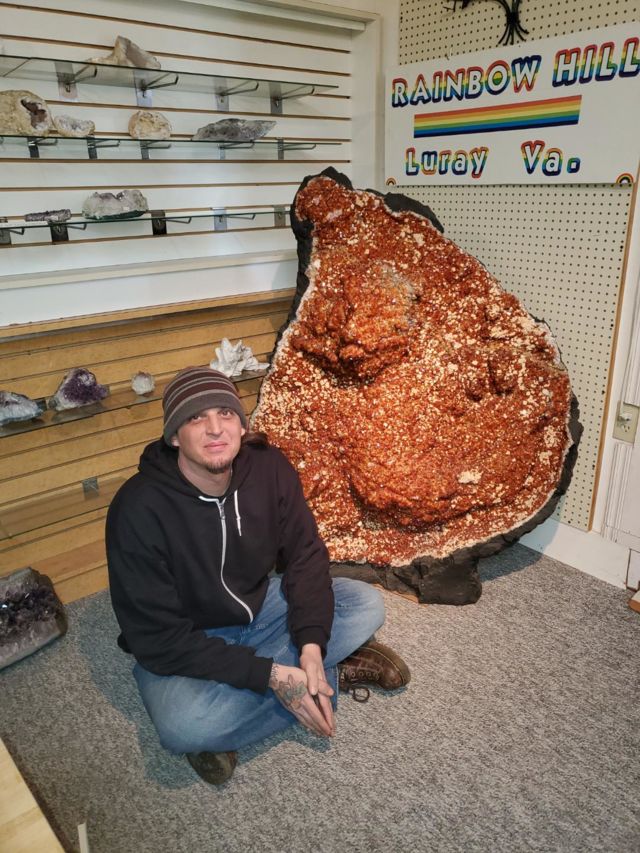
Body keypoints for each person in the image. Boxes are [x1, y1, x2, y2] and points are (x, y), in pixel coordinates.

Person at [106, 366, 410, 785]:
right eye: (196, 418)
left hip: (256, 606)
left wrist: (310, 647)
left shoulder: (270, 468)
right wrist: (272, 675)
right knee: (184, 726)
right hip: (186, 640)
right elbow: (156, 639)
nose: (215, 429)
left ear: (242, 425)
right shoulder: (137, 510)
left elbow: (305, 556)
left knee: (365, 602)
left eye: (225, 413)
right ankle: (328, 677)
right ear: (174, 436)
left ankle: (266, 700)